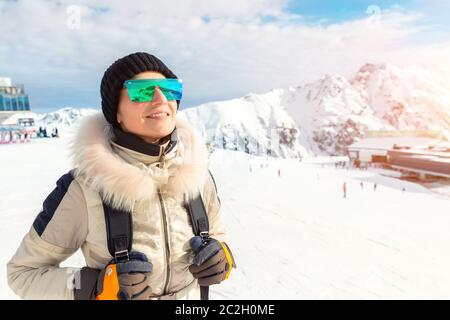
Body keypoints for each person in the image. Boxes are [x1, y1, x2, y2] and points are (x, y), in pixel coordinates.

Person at [7, 52, 235, 300]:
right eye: (143, 91)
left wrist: (222, 256)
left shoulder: (198, 173)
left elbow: (218, 235)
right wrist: (94, 286)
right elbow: (23, 273)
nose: (160, 99)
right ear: (116, 112)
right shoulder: (85, 186)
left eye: (169, 89)